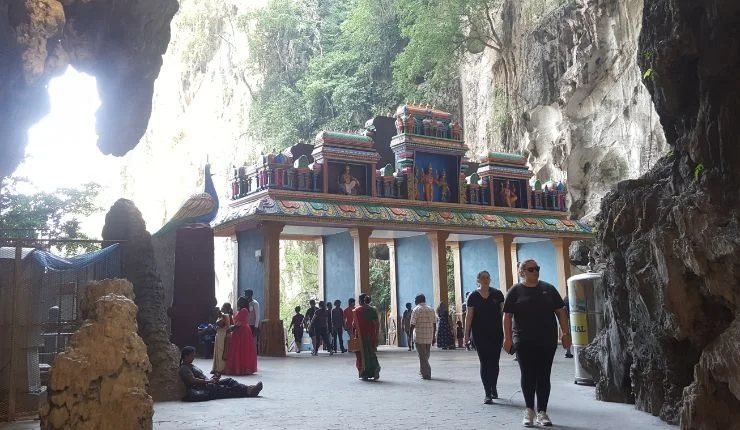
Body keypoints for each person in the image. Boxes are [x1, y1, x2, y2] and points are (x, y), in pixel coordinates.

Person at [503, 259, 571, 427]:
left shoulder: (548, 289)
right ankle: (529, 410)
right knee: (527, 375)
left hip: (546, 340)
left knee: (543, 376)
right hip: (524, 341)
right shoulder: (515, 291)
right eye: (531, 269)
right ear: (522, 272)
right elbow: (507, 316)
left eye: (537, 268)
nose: (535, 271)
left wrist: (565, 333)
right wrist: (507, 338)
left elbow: (561, 311)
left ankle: (542, 412)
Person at [464, 270, 506, 404]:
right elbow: (469, 316)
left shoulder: (498, 294)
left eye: (487, 277)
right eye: (482, 278)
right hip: (479, 334)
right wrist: (466, 335)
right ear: (478, 280)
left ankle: (494, 386)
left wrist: (507, 333)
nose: (485, 280)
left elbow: (503, 314)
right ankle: (487, 393)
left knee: (494, 362)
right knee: (484, 362)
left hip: (496, 333)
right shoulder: (472, 296)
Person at [179, 346, 262, 401]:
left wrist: (213, 378)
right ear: (186, 356)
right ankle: (249, 391)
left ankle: (249, 388)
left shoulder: (190, 366)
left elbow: (201, 377)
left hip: (207, 384)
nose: (193, 357)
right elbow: (193, 380)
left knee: (229, 380)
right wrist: (209, 381)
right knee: (227, 389)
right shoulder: (184, 368)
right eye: (192, 356)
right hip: (203, 388)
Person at [223, 297, 258, 375]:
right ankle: (237, 367)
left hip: (242, 331)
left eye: (239, 302)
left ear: (242, 303)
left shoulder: (244, 310)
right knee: (238, 349)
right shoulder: (241, 310)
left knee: (241, 350)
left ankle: (242, 368)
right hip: (239, 331)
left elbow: (239, 323)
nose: (237, 303)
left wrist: (232, 328)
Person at [352, 294, 380, 380]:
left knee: (361, 355)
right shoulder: (373, 310)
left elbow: (354, 325)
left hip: (361, 337)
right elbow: (377, 324)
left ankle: (364, 373)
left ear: (360, 301)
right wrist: (376, 335)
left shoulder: (356, 311)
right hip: (371, 336)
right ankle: (375, 370)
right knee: (371, 354)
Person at [410, 294, 436, 380]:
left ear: (418, 300)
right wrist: (434, 335)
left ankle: (427, 373)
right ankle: (422, 370)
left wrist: (410, 335)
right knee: (426, 355)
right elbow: (434, 323)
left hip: (419, 336)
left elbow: (412, 324)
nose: (414, 301)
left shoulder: (416, 309)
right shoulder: (431, 309)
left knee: (422, 356)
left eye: (415, 299)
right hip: (429, 335)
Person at [211, 303, 233, 376]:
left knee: (221, 351)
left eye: (223, 307)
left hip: (222, 335)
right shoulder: (227, 316)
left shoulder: (225, 316)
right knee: (217, 351)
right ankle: (216, 367)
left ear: (226, 308)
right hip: (219, 334)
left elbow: (221, 324)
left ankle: (220, 368)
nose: (222, 308)